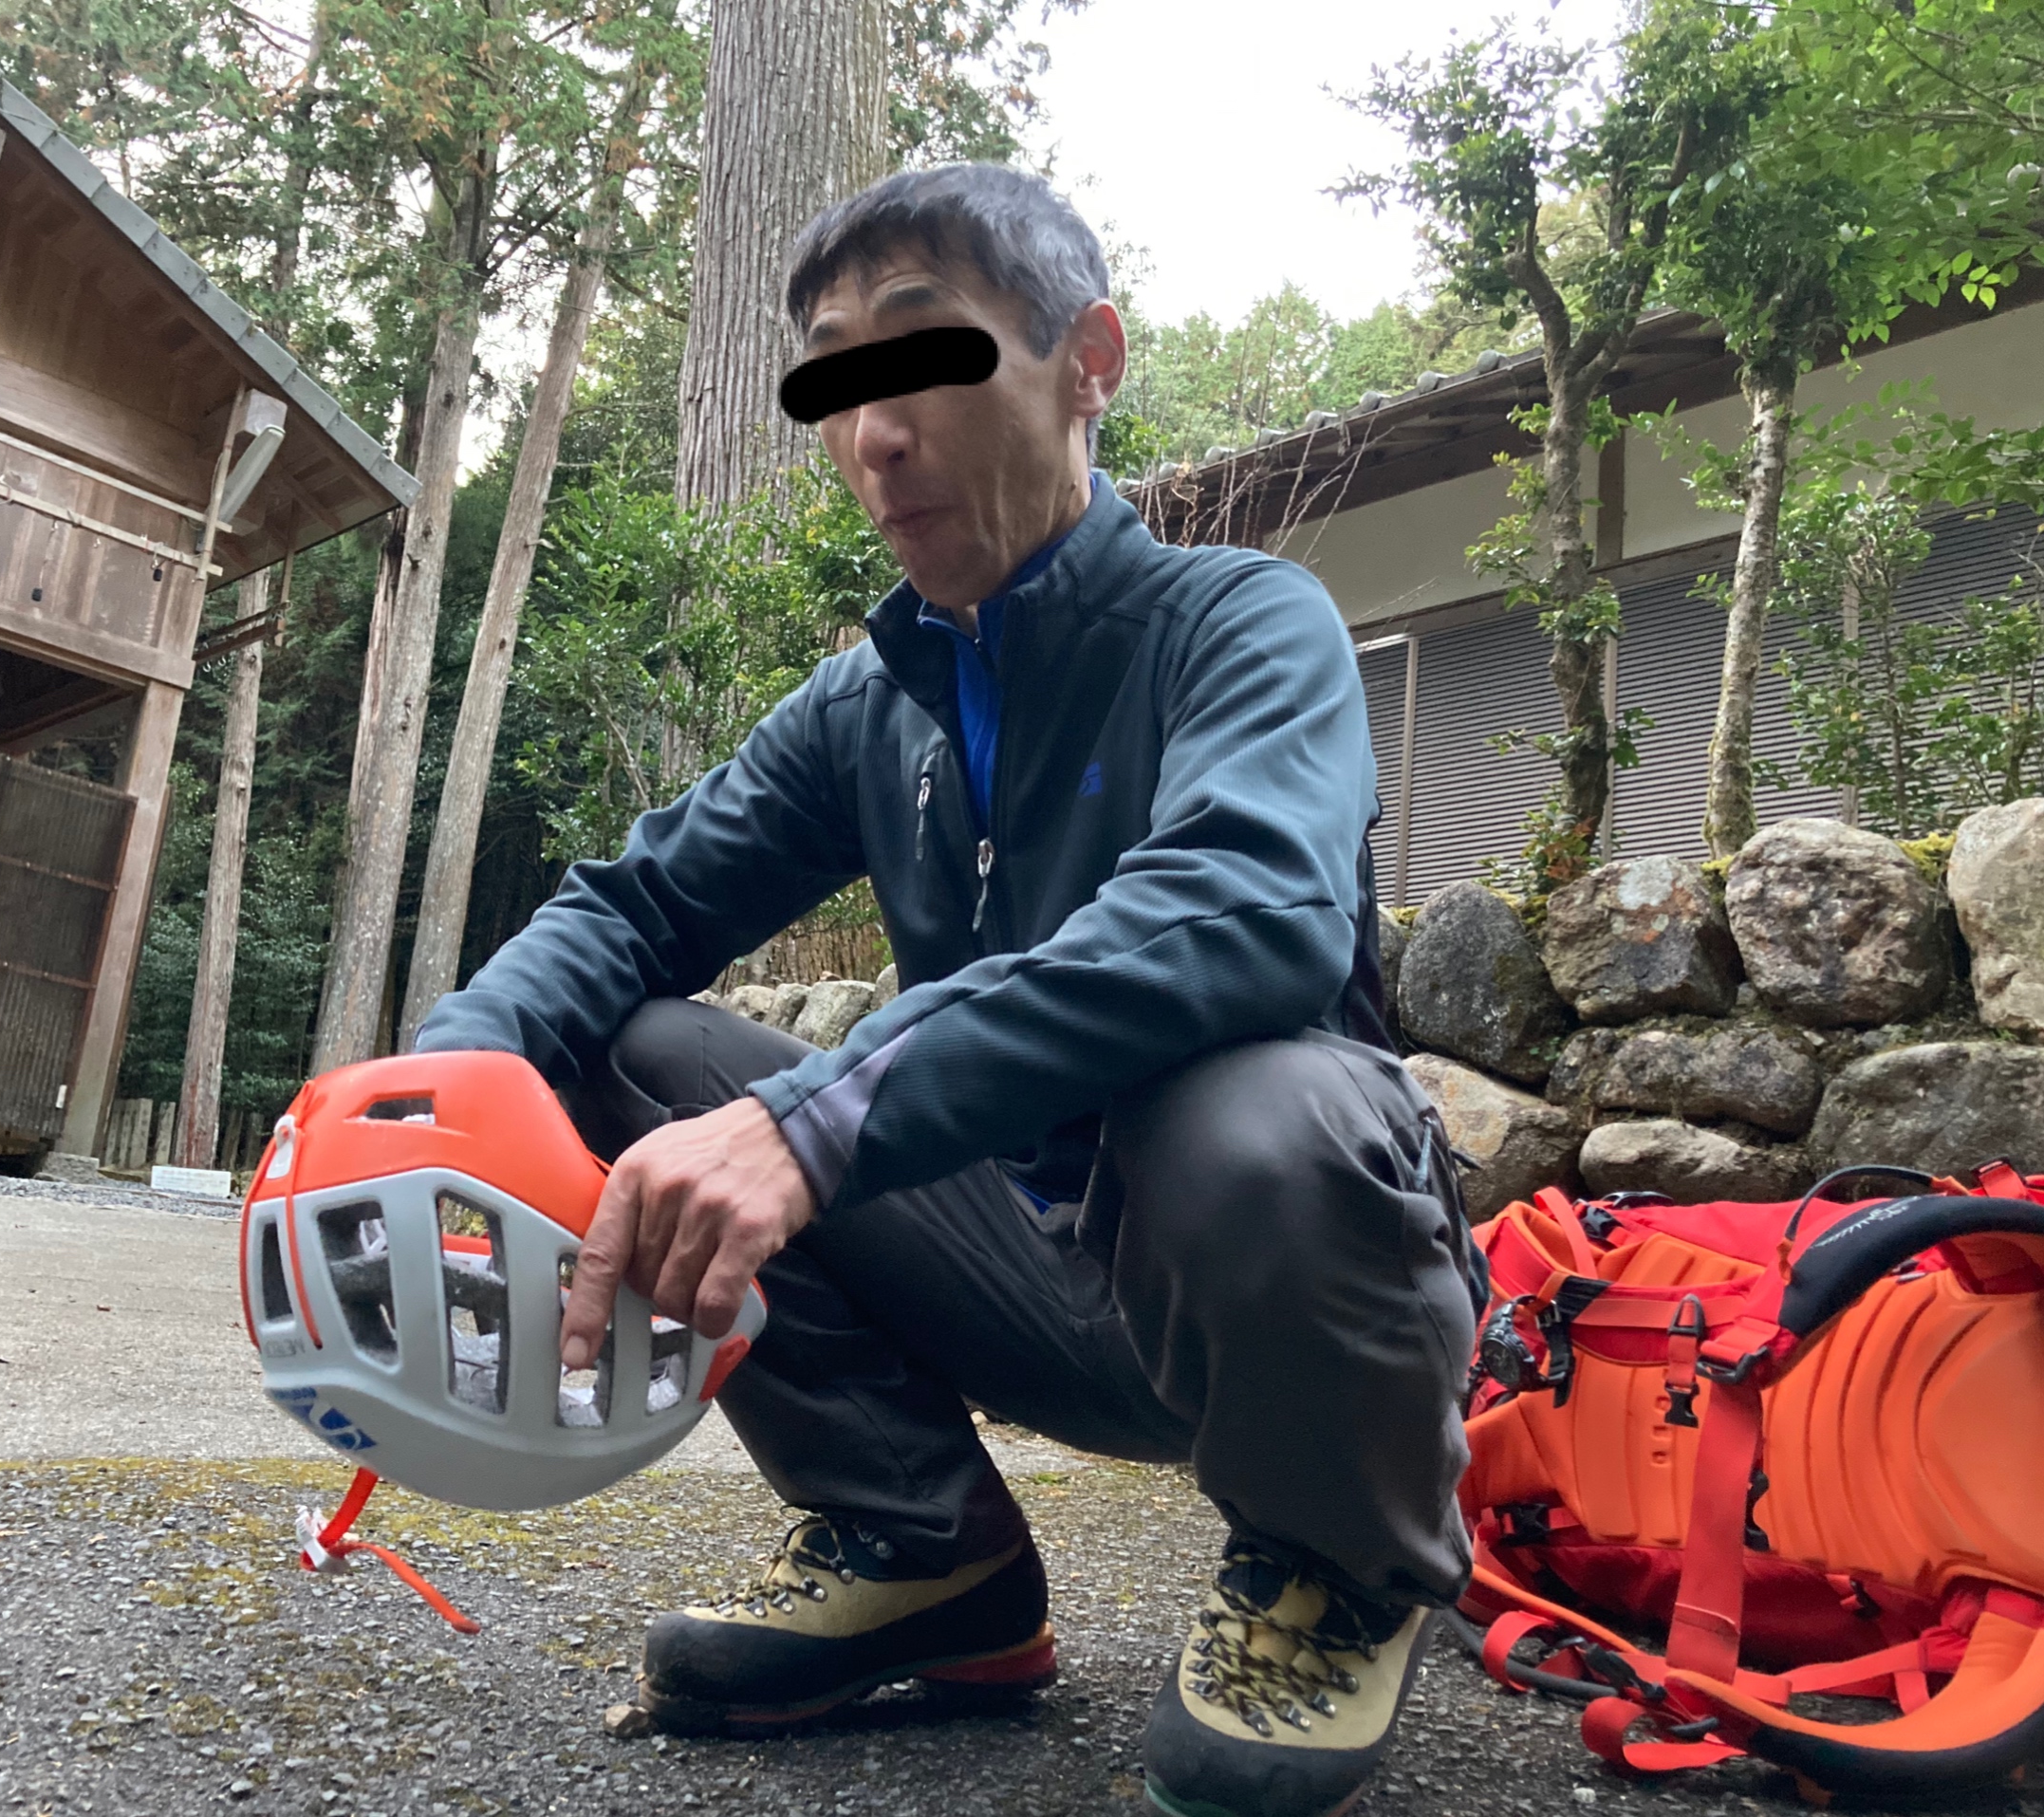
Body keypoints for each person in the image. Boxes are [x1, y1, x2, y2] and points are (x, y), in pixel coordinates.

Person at [414, 163, 1480, 1817]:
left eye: (926, 358)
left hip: (1260, 1278)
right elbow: (637, 903)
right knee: (643, 1053)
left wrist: (812, 1123)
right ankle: (925, 1548)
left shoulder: (1239, 622)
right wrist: (433, 1091)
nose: (875, 434)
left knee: (1253, 1105)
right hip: (1020, 1276)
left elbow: (1245, 907)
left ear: (1087, 361)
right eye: (835, 388)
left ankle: (1330, 1566)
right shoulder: (868, 705)